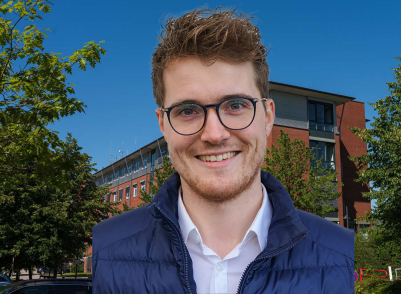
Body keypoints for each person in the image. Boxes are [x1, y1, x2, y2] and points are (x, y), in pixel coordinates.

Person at [92, 7, 354, 294]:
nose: (214, 135)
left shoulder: (340, 253)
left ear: (267, 117)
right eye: (188, 110)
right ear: (163, 125)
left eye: (236, 106)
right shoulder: (106, 250)